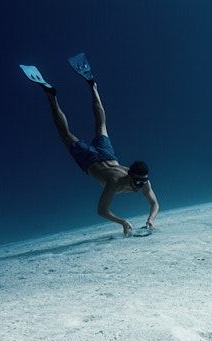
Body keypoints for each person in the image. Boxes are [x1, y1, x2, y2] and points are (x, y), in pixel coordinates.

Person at [20, 55, 159, 236]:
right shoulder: (114, 183)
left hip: (109, 156)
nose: (140, 186)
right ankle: (50, 95)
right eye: (138, 181)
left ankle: (93, 85)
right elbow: (101, 210)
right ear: (130, 176)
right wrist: (122, 222)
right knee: (65, 135)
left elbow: (154, 203)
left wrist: (150, 220)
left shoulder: (143, 182)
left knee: (101, 125)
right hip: (90, 161)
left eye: (143, 181)